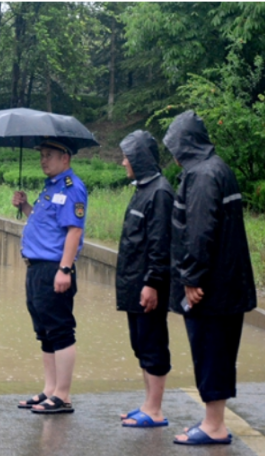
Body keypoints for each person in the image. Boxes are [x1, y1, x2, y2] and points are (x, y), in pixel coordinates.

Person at [164, 111, 257, 445]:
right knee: (217, 352)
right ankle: (212, 420)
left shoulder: (202, 175)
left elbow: (201, 231)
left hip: (212, 287)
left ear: (185, 143)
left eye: (174, 144)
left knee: (210, 351)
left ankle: (214, 425)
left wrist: (191, 276)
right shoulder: (218, 168)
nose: (172, 153)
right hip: (226, 284)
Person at [12, 139, 88, 414]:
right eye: (42, 155)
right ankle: (49, 390)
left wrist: (65, 269)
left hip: (54, 269)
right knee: (44, 332)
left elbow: (74, 231)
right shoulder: (50, 187)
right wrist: (25, 208)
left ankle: (63, 395)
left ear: (65, 158)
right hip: (37, 268)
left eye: (49, 155)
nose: (43, 160)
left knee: (60, 330)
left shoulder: (71, 188)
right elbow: (46, 224)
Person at [115, 130, 174, 428]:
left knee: (152, 344)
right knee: (140, 343)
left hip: (147, 285)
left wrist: (151, 282)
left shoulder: (160, 192)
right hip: (134, 284)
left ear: (140, 158)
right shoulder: (143, 189)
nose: (123, 162)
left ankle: (155, 409)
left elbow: (160, 243)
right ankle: (147, 404)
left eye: (127, 156)